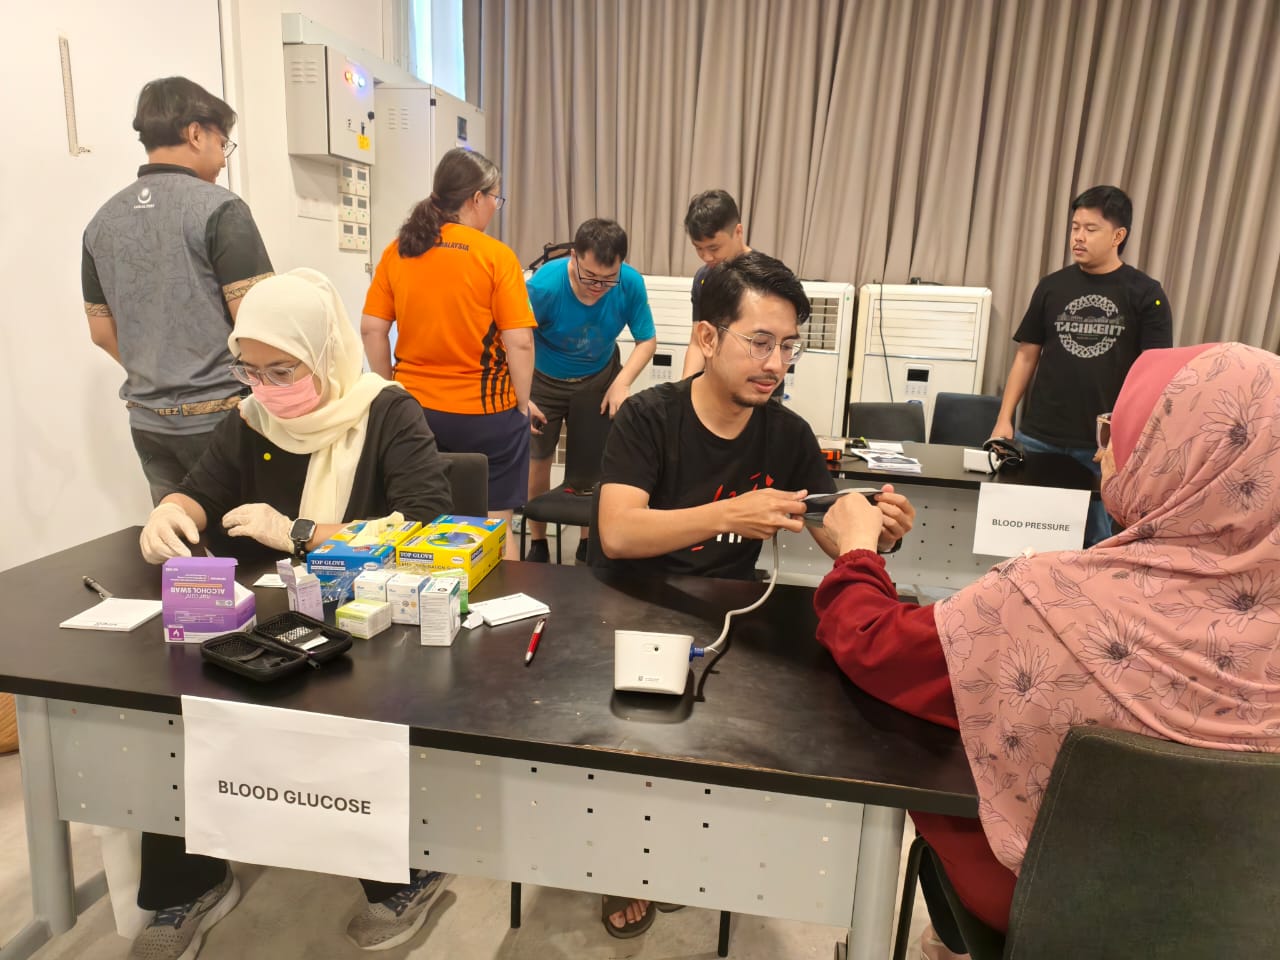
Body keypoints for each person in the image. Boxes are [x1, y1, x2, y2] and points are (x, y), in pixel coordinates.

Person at [815, 341, 1280, 958]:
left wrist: (856, 551)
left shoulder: (1042, 601)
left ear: (1175, 456)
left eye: (1118, 432)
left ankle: (948, 939)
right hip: (1244, 923)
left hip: (1052, 908)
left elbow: (872, 645)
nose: (1101, 451)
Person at [134, 269, 453, 959]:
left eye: (283, 370)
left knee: (351, 704)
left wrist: (302, 533)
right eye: (250, 370)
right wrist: (170, 511)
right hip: (264, 618)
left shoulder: (386, 412)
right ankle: (190, 883)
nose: (266, 386)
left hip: (364, 618)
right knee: (176, 702)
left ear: (325, 352)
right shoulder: (251, 418)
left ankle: (405, 875)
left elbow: (428, 525)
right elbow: (199, 490)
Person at [595, 252, 915, 938]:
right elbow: (617, 533)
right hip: (630, 606)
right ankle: (625, 860)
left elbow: (832, 531)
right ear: (707, 338)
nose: (777, 364)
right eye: (760, 342)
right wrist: (728, 514)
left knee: (740, 740)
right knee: (633, 746)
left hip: (723, 615)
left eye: (789, 346)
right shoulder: (650, 418)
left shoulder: (787, 433)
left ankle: (677, 845)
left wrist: (875, 535)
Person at [84, 76, 274, 506]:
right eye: (222, 143)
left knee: (178, 537)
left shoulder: (101, 223)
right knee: (246, 537)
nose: (222, 159)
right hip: (224, 418)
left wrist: (162, 371)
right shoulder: (221, 208)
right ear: (195, 133)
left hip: (148, 424)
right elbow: (260, 323)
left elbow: (100, 333)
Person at [361, 147, 535, 555]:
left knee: (414, 527)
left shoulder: (398, 250)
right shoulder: (495, 256)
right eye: (495, 198)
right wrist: (521, 403)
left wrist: (390, 393)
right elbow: (520, 341)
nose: (494, 207)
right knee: (494, 529)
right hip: (486, 417)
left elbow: (372, 329)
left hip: (413, 413)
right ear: (476, 198)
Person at [990, 184, 1173, 546]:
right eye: (1075, 227)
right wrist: (1004, 418)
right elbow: (1026, 355)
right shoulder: (1052, 286)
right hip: (1039, 436)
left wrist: (1124, 439)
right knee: (1020, 540)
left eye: (1091, 229)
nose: (1078, 237)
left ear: (1118, 236)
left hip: (1101, 446)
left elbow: (1155, 376)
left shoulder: (1145, 294)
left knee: (1092, 545)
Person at [523, 218, 657, 564]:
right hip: (543, 379)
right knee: (538, 460)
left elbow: (646, 340)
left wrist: (621, 383)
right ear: (574, 257)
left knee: (594, 463)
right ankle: (538, 540)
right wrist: (522, 396)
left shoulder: (630, 283)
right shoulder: (545, 286)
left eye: (608, 278)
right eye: (590, 276)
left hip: (599, 377)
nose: (598, 287)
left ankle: (587, 539)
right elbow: (516, 339)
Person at [679, 189, 756, 379]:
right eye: (699, 248)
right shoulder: (703, 278)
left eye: (714, 247)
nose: (706, 257)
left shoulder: (763, 276)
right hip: (715, 383)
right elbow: (697, 342)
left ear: (738, 232)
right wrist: (684, 389)